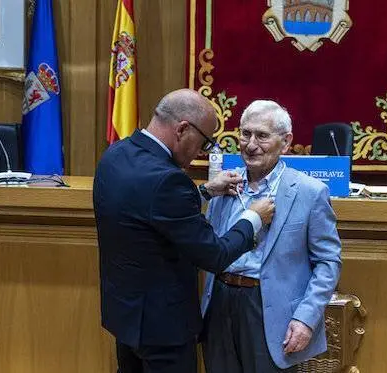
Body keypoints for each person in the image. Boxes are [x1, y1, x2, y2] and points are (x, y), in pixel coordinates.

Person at [93, 89, 275, 373]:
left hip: (126, 317)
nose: (201, 151)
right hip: (164, 329)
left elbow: (147, 210)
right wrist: (253, 218)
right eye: (204, 142)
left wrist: (203, 192)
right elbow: (214, 255)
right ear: (182, 130)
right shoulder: (168, 180)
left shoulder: (116, 154)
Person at [201, 100, 342, 372]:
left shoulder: (309, 192)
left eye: (262, 136)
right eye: (245, 133)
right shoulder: (226, 186)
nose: (250, 144)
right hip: (220, 303)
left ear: (286, 142)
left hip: (269, 310)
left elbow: (328, 262)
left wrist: (306, 318)